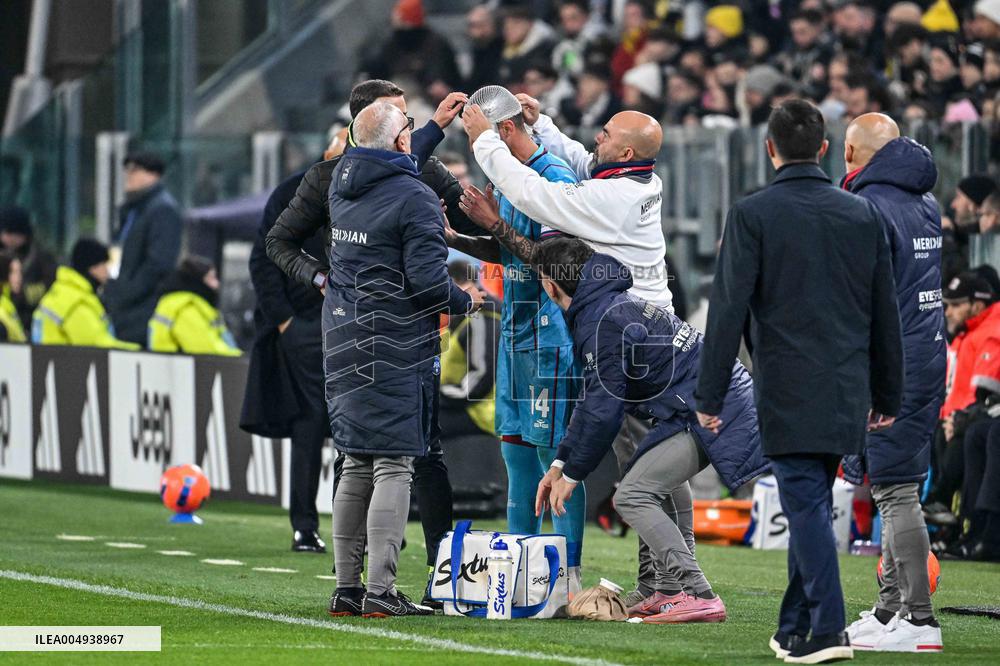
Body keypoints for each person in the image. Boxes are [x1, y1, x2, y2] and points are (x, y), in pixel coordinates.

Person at [695, 100, 903, 663]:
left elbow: (727, 311)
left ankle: (829, 631)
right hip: (848, 387)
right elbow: (885, 310)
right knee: (808, 497)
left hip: (787, 386)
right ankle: (793, 627)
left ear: (770, 149)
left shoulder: (752, 213)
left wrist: (709, 395)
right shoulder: (862, 214)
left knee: (806, 503)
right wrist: (889, 392)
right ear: (825, 148)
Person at [265, 79, 476, 607]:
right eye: (405, 122)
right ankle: (382, 589)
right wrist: (466, 299)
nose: (412, 129)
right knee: (397, 464)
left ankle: (347, 588)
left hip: (343, 335)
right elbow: (428, 283)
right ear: (398, 138)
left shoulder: (337, 183)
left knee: (356, 460)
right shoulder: (415, 194)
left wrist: (324, 279)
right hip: (399, 341)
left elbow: (380, 162)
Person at [532, 239, 768, 624]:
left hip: (711, 407)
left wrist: (572, 475)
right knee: (660, 483)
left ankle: (698, 594)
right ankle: (669, 590)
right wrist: (560, 464)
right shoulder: (605, 305)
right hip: (706, 401)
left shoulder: (600, 321)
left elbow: (604, 411)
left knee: (632, 495)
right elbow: (593, 400)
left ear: (549, 285)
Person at [447, 85, 587, 587]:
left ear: (505, 130)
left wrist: (492, 222)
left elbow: (556, 265)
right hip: (516, 332)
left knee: (554, 459)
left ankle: (567, 576)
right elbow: (510, 253)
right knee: (516, 454)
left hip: (550, 336)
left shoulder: (555, 177)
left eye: (480, 138)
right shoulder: (506, 179)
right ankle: (519, 572)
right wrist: (461, 237)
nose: (477, 151)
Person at [838, 114, 946, 653]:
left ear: (851, 153)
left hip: (891, 362)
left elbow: (858, 299)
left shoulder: (866, 207)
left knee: (894, 488)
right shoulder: (925, 202)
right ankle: (890, 611)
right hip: (927, 354)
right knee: (893, 482)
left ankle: (920, 620)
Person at [464, 95, 673, 310]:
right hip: (645, 311)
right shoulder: (646, 180)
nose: (597, 137)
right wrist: (540, 124)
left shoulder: (613, 197)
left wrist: (484, 140)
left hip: (633, 318)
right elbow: (583, 160)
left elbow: (532, 194)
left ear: (626, 154)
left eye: (606, 135)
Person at [241, 131, 345, 555]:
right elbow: (263, 258)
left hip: (353, 324)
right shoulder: (292, 192)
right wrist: (285, 321)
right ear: (325, 154)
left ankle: (357, 528)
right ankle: (304, 526)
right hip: (305, 326)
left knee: (353, 429)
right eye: (340, 153)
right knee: (311, 423)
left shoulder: (371, 190)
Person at [926, 273, 1000, 522]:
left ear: (977, 305)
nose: (948, 312)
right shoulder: (964, 334)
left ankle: (962, 517)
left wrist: (961, 419)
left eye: (956, 305)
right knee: (944, 432)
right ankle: (947, 514)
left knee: (972, 434)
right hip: (956, 416)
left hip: (977, 415)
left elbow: (986, 392)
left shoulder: (991, 330)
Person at [103, 151, 183, 346]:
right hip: (124, 305)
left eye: (135, 170)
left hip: (142, 309)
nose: (128, 175)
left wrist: (124, 294)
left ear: (154, 174)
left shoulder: (162, 210)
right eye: (127, 169)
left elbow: (159, 264)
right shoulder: (133, 210)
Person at [32, 239, 139, 350]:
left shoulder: (63, 291)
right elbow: (98, 346)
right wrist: (138, 350)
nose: (107, 270)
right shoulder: (76, 303)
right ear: (92, 268)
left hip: (47, 359)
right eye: (103, 264)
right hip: (65, 361)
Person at [439, 260, 500, 441]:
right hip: (469, 403)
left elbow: (481, 379)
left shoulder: (479, 318)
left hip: (483, 412)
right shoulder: (464, 315)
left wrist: (439, 395)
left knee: (417, 423)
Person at [362, 0, 460, 103]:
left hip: (427, 99)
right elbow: (379, 68)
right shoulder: (392, 42)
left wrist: (436, 83)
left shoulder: (434, 43)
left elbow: (442, 75)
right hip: (399, 93)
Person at [148, 257, 241, 356]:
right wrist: (242, 359)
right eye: (211, 278)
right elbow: (206, 350)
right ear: (197, 281)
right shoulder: (186, 307)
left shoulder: (187, 303)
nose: (217, 284)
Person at [0, 205, 58, 331]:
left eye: (10, 233)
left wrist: (23, 294)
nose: (6, 237)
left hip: (30, 320)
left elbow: (49, 285)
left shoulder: (41, 258)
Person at [0, 250, 26, 342]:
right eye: (13, 272)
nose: (19, 277)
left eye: (20, 272)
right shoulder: (3, 305)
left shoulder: (9, 303)